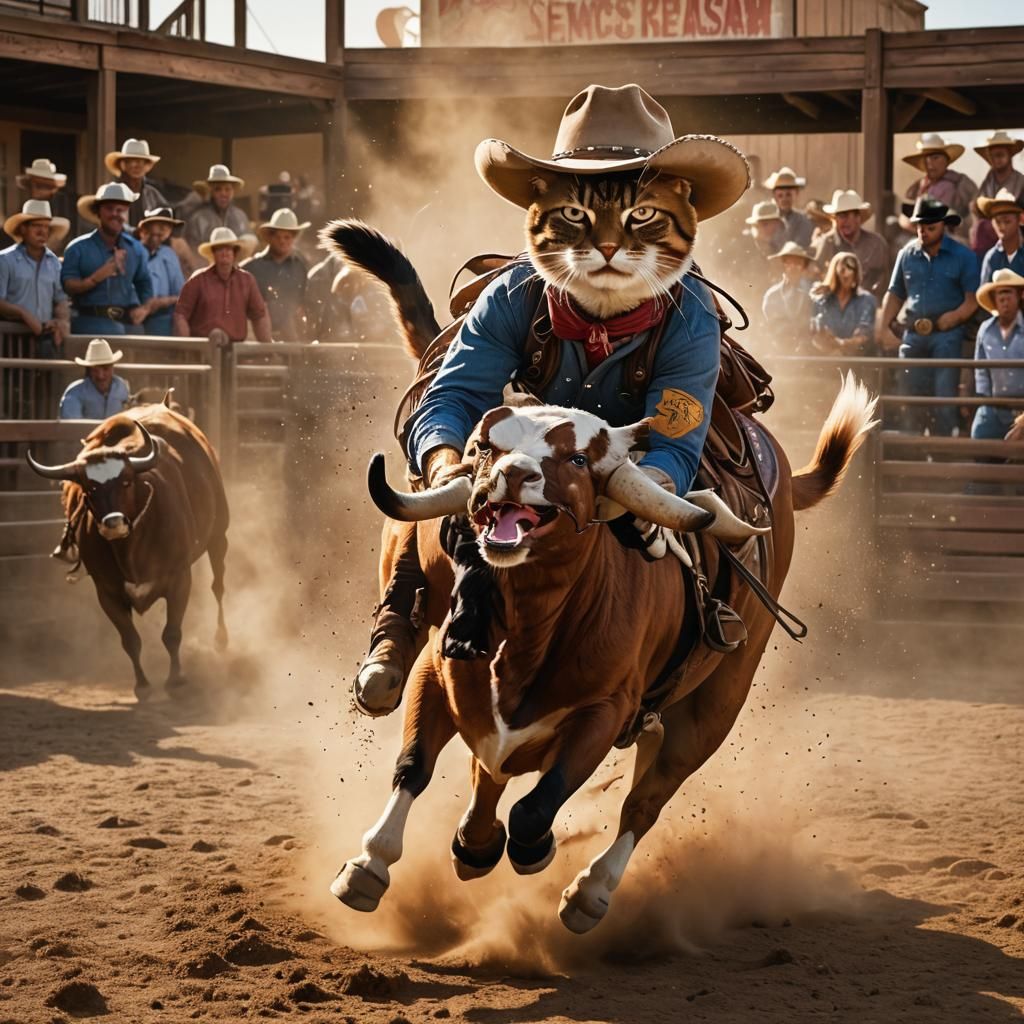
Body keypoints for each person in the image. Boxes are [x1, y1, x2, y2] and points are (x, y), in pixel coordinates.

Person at [351, 82, 752, 715]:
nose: (609, 243)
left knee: (706, 509)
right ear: (540, 207)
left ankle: (695, 636)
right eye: (577, 217)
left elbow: (675, 440)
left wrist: (645, 488)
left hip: (623, 463)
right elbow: (453, 396)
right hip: (525, 452)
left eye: (641, 218)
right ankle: (395, 628)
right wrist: (448, 466)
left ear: (685, 207)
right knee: (429, 491)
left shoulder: (692, 313)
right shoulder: (513, 291)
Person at [880, 197, 980, 436]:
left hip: (947, 334)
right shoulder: (907, 254)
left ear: (943, 225)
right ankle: (912, 449)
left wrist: (955, 317)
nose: (923, 231)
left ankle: (941, 450)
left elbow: (973, 299)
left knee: (944, 399)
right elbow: (895, 294)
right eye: (919, 226)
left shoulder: (963, 255)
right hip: (913, 334)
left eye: (930, 227)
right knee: (909, 398)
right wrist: (884, 327)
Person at [62, 182, 153, 336]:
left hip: (129, 328)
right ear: (98, 212)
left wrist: (144, 308)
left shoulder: (136, 249)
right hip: (89, 326)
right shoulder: (77, 248)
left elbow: (145, 284)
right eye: (109, 208)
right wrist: (95, 278)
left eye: (121, 210)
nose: (115, 214)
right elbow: (68, 286)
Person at [173, 227, 271, 343]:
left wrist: (268, 346)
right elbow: (181, 314)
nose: (225, 253)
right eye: (219, 249)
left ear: (235, 253)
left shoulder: (247, 280)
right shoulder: (198, 280)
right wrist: (186, 347)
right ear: (213, 253)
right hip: (203, 347)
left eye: (229, 249)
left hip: (236, 347)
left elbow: (259, 315)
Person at [0, 200, 71, 359]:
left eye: (46, 226)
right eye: (36, 226)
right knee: (12, 374)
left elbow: (60, 300)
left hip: (45, 339)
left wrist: (61, 321)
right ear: (23, 229)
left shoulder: (54, 263)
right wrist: (23, 314)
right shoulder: (4, 260)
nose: (42, 231)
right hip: (11, 337)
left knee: (46, 374)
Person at [240, 207, 311, 340]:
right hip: (258, 338)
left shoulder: (301, 267)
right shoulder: (250, 268)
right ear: (270, 237)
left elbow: (304, 304)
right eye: (278, 237)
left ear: (293, 238)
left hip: (292, 338)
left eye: (287, 237)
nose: (282, 241)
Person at [971, 268, 1024, 443]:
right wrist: (987, 400)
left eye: (1008, 293)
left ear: (1019, 296)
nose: (1004, 300)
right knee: (979, 436)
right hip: (994, 406)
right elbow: (980, 369)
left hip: (1023, 408)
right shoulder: (985, 330)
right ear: (994, 300)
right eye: (1000, 295)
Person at [812, 189, 891, 301]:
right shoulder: (827, 243)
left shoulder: (876, 244)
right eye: (840, 216)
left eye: (847, 216)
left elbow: (886, 280)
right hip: (834, 303)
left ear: (858, 218)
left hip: (869, 302)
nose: (844, 222)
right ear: (835, 219)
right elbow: (814, 274)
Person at [900, 133, 977, 241]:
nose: (930, 164)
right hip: (919, 235)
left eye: (935, 158)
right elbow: (906, 214)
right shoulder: (920, 185)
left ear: (946, 160)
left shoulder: (959, 182)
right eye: (927, 159)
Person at [809, 252, 877, 356]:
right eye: (842, 269)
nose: (846, 273)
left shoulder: (866, 300)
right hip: (825, 359)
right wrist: (830, 348)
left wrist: (842, 344)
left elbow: (865, 334)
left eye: (851, 268)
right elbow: (816, 333)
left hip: (858, 360)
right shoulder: (821, 300)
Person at [970, 131, 1024, 260]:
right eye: (993, 156)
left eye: (1000, 155)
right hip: (992, 230)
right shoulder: (988, 181)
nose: (996, 160)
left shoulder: (1020, 181)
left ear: (1009, 155)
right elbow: (978, 207)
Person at [134, 207, 186, 336]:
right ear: (144, 230)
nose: (163, 231)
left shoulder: (169, 255)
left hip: (162, 318)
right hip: (133, 315)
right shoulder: (132, 252)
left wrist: (162, 302)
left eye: (167, 227)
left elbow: (181, 295)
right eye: (160, 225)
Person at [184, 164, 249, 259]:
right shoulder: (198, 219)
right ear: (210, 192)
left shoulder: (240, 216)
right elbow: (192, 252)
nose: (223, 193)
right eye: (218, 189)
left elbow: (248, 247)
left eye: (227, 189)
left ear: (233, 192)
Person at [10, 158, 74, 253]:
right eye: (32, 185)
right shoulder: (27, 206)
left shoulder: (62, 206)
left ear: (52, 189)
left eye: (41, 186)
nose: (34, 190)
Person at [58, 338, 131, 419]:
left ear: (112, 368)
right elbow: (72, 425)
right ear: (89, 370)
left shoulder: (121, 386)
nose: (100, 375)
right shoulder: (74, 393)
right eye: (95, 370)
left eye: (105, 369)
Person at [761, 241, 813, 353]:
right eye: (789, 263)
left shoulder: (811, 294)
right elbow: (769, 325)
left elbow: (813, 324)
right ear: (783, 265)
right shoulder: (772, 295)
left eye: (798, 263)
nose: (793, 267)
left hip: (807, 353)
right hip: (778, 349)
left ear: (804, 267)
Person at [105, 138, 169, 229]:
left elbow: (167, 220)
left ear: (147, 166)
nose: (137, 166)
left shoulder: (152, 194)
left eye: (141, 162)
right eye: (132, 161)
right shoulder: (112, 192)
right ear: (123, 165)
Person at [977, 189, 1024, 285]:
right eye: (997, 222)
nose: (1002, 227)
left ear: (1020, 220)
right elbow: (985, 291)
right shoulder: (991, 257)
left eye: (1007, 222)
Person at [763, 166, 813, 248]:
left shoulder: (803, 220)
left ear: (796, 194)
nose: (784, 199)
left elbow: (800, 246)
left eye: (788, 195)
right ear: (774, 196)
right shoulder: (767, 219)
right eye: (780, 195)